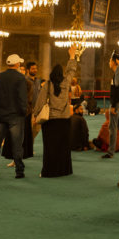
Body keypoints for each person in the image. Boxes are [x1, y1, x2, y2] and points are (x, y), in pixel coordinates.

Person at [35, 46, 78, 177]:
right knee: (63, 147)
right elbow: (71, 70)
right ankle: (64, 170)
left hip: (51, 121)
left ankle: (49, 171)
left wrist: (35, 114)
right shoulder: (66, 82)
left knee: (50, 148)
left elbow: (41, 102)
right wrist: (72, 56)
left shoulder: (47, 84)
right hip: (64, 120)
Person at [0, 54, 29, 179]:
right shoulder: (20, 78)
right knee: (17, 145)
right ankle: (19, 171)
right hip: (15, 116)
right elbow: (22, 97)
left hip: (1, 115)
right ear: (17, 64)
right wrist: (24, 112)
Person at [102, 51, 119, 159]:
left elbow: (117, 91)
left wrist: (113, 105)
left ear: (114, 62)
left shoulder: (117, 74)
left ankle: (111, 152)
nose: (109, 62)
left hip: (117, 104)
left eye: (110, 60)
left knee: (113, 127)